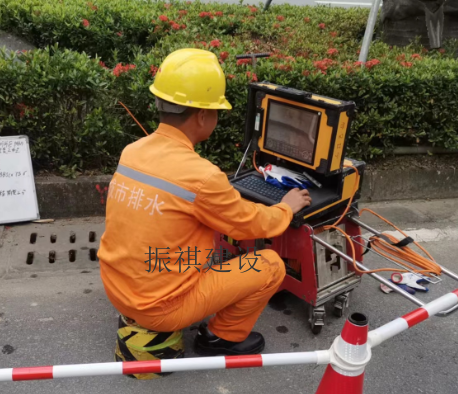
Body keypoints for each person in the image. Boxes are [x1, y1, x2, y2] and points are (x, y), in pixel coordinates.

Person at [99, 48, 311, 356]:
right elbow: (247, 225)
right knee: (269, 265)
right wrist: (285, 207)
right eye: (216, 111)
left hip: (118, 290)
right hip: (161, 306)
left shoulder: (132, 151)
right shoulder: (202, 176)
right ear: (201, 115)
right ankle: (220, 337)